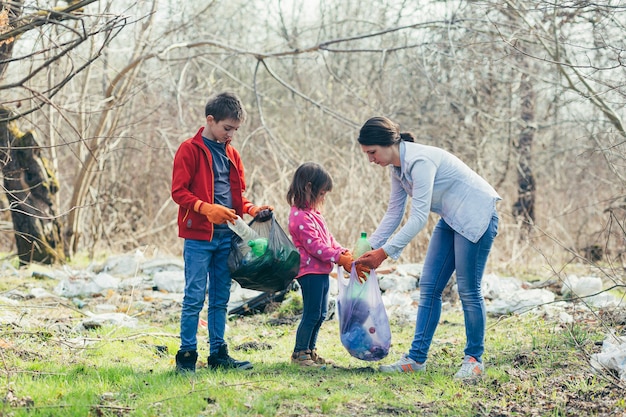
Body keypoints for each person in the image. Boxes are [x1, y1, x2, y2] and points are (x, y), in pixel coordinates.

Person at [355, 116, 500, 379]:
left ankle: (474, 361)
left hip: (477, 215)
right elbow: (394, 213)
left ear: (388, 144)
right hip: (451, 218)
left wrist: (384, 253)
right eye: (367, 154)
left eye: (372, 152)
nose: (371, 159)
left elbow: (418, 218)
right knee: (429, 287)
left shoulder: (420, 161)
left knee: (468, 290)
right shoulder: (397, 169)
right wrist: (369, 249)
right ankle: (416, 359)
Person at [171, 91, 273, 373]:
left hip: (227, 236)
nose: (231, 135)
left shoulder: (232, 154)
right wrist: (206, 208)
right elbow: (179, 193)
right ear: (210, 120)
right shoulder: (189, 150)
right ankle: (187, 356)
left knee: (220, 298)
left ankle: (218, 354)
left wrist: (252, 210)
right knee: (194, 296)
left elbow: (238, 195)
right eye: (227, 128)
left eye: (236, 130)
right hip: (198, 238)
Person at [286, 162, 368, 367]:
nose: (323, 198)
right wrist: (338, 258)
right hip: (309, 272)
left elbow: (328, 239)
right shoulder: (299, 217)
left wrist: (342, 251)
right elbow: (315, 246)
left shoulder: (314, 215)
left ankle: (310, 350)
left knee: (321, 313)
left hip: (321, 271)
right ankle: (300, 353)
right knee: (312, 313)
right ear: (308, 188)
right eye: (321, 193)